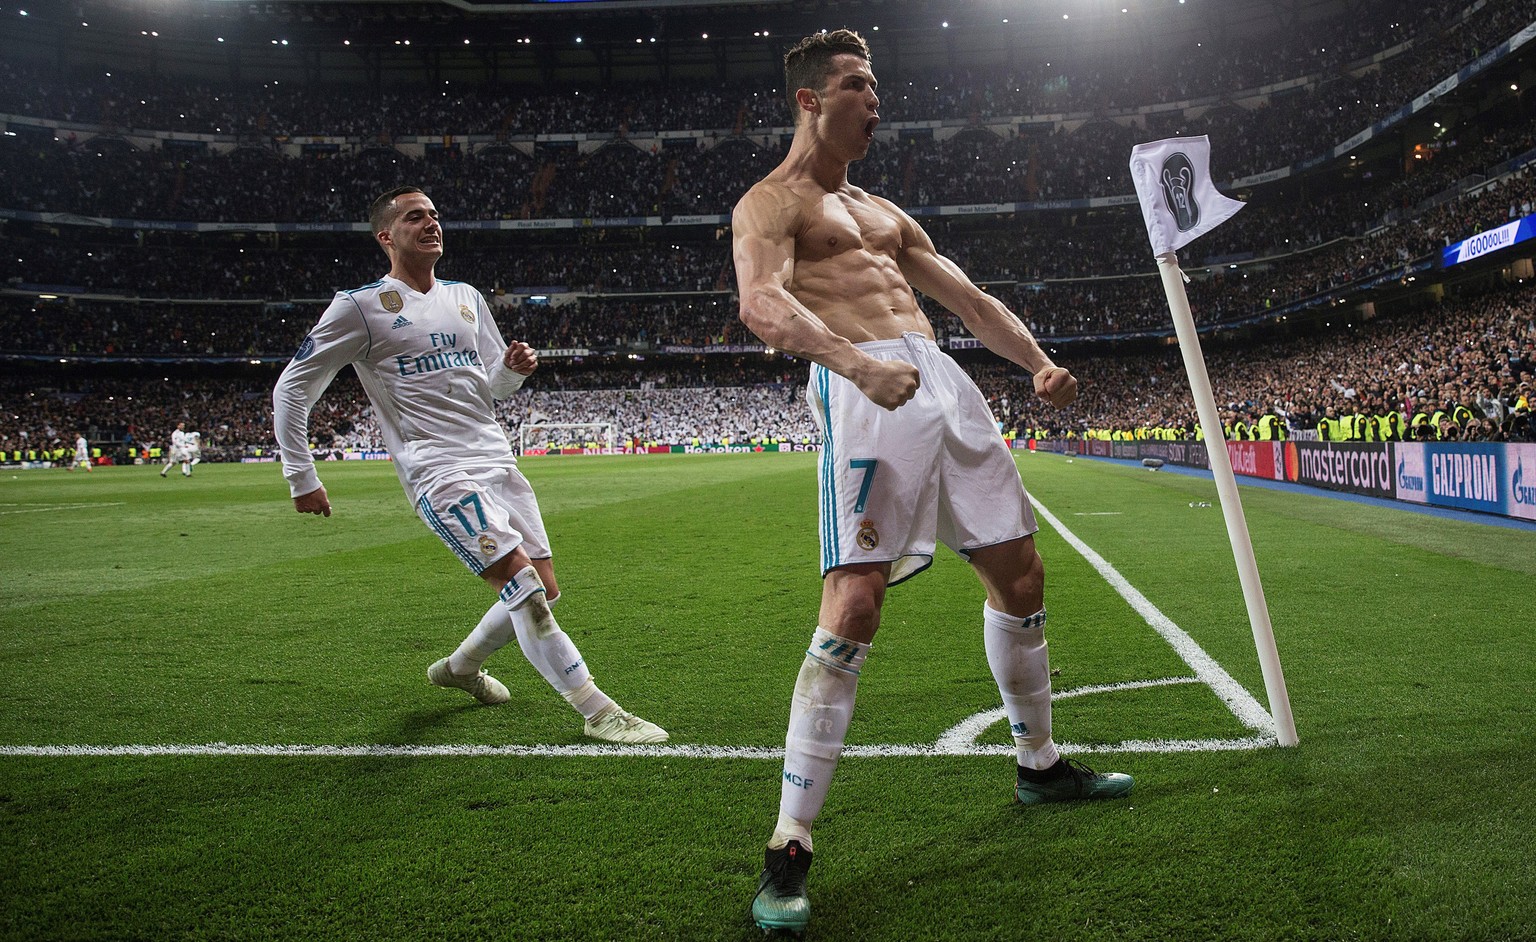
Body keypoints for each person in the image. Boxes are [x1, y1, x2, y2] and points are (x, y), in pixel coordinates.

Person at [730, 30, 1131, 935]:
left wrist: (1034, 361)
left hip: (944, 381)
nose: (875, 101)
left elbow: (968, 297)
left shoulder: (883, 209)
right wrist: (853, 366)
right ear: (809, 100)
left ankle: (1038, 767)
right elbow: (760, 304)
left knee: (1020, 575)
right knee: (855, 601)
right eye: (857, 86)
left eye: (876, 86)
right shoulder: (769, 202)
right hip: (865, 383)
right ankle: (789, 847)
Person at [271, 185, 667, 744]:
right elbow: (293, 387)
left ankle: (459, 668)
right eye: (415, 217)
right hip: (438, 467)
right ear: (387, 236)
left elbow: (492, 389)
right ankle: (598, 710)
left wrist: (513, 369)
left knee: (545, 589)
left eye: (434, 214)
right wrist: (302, 475)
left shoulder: (466, 297)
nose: (431, 223)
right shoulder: (359, 307)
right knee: (522, 585)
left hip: (495, 458)